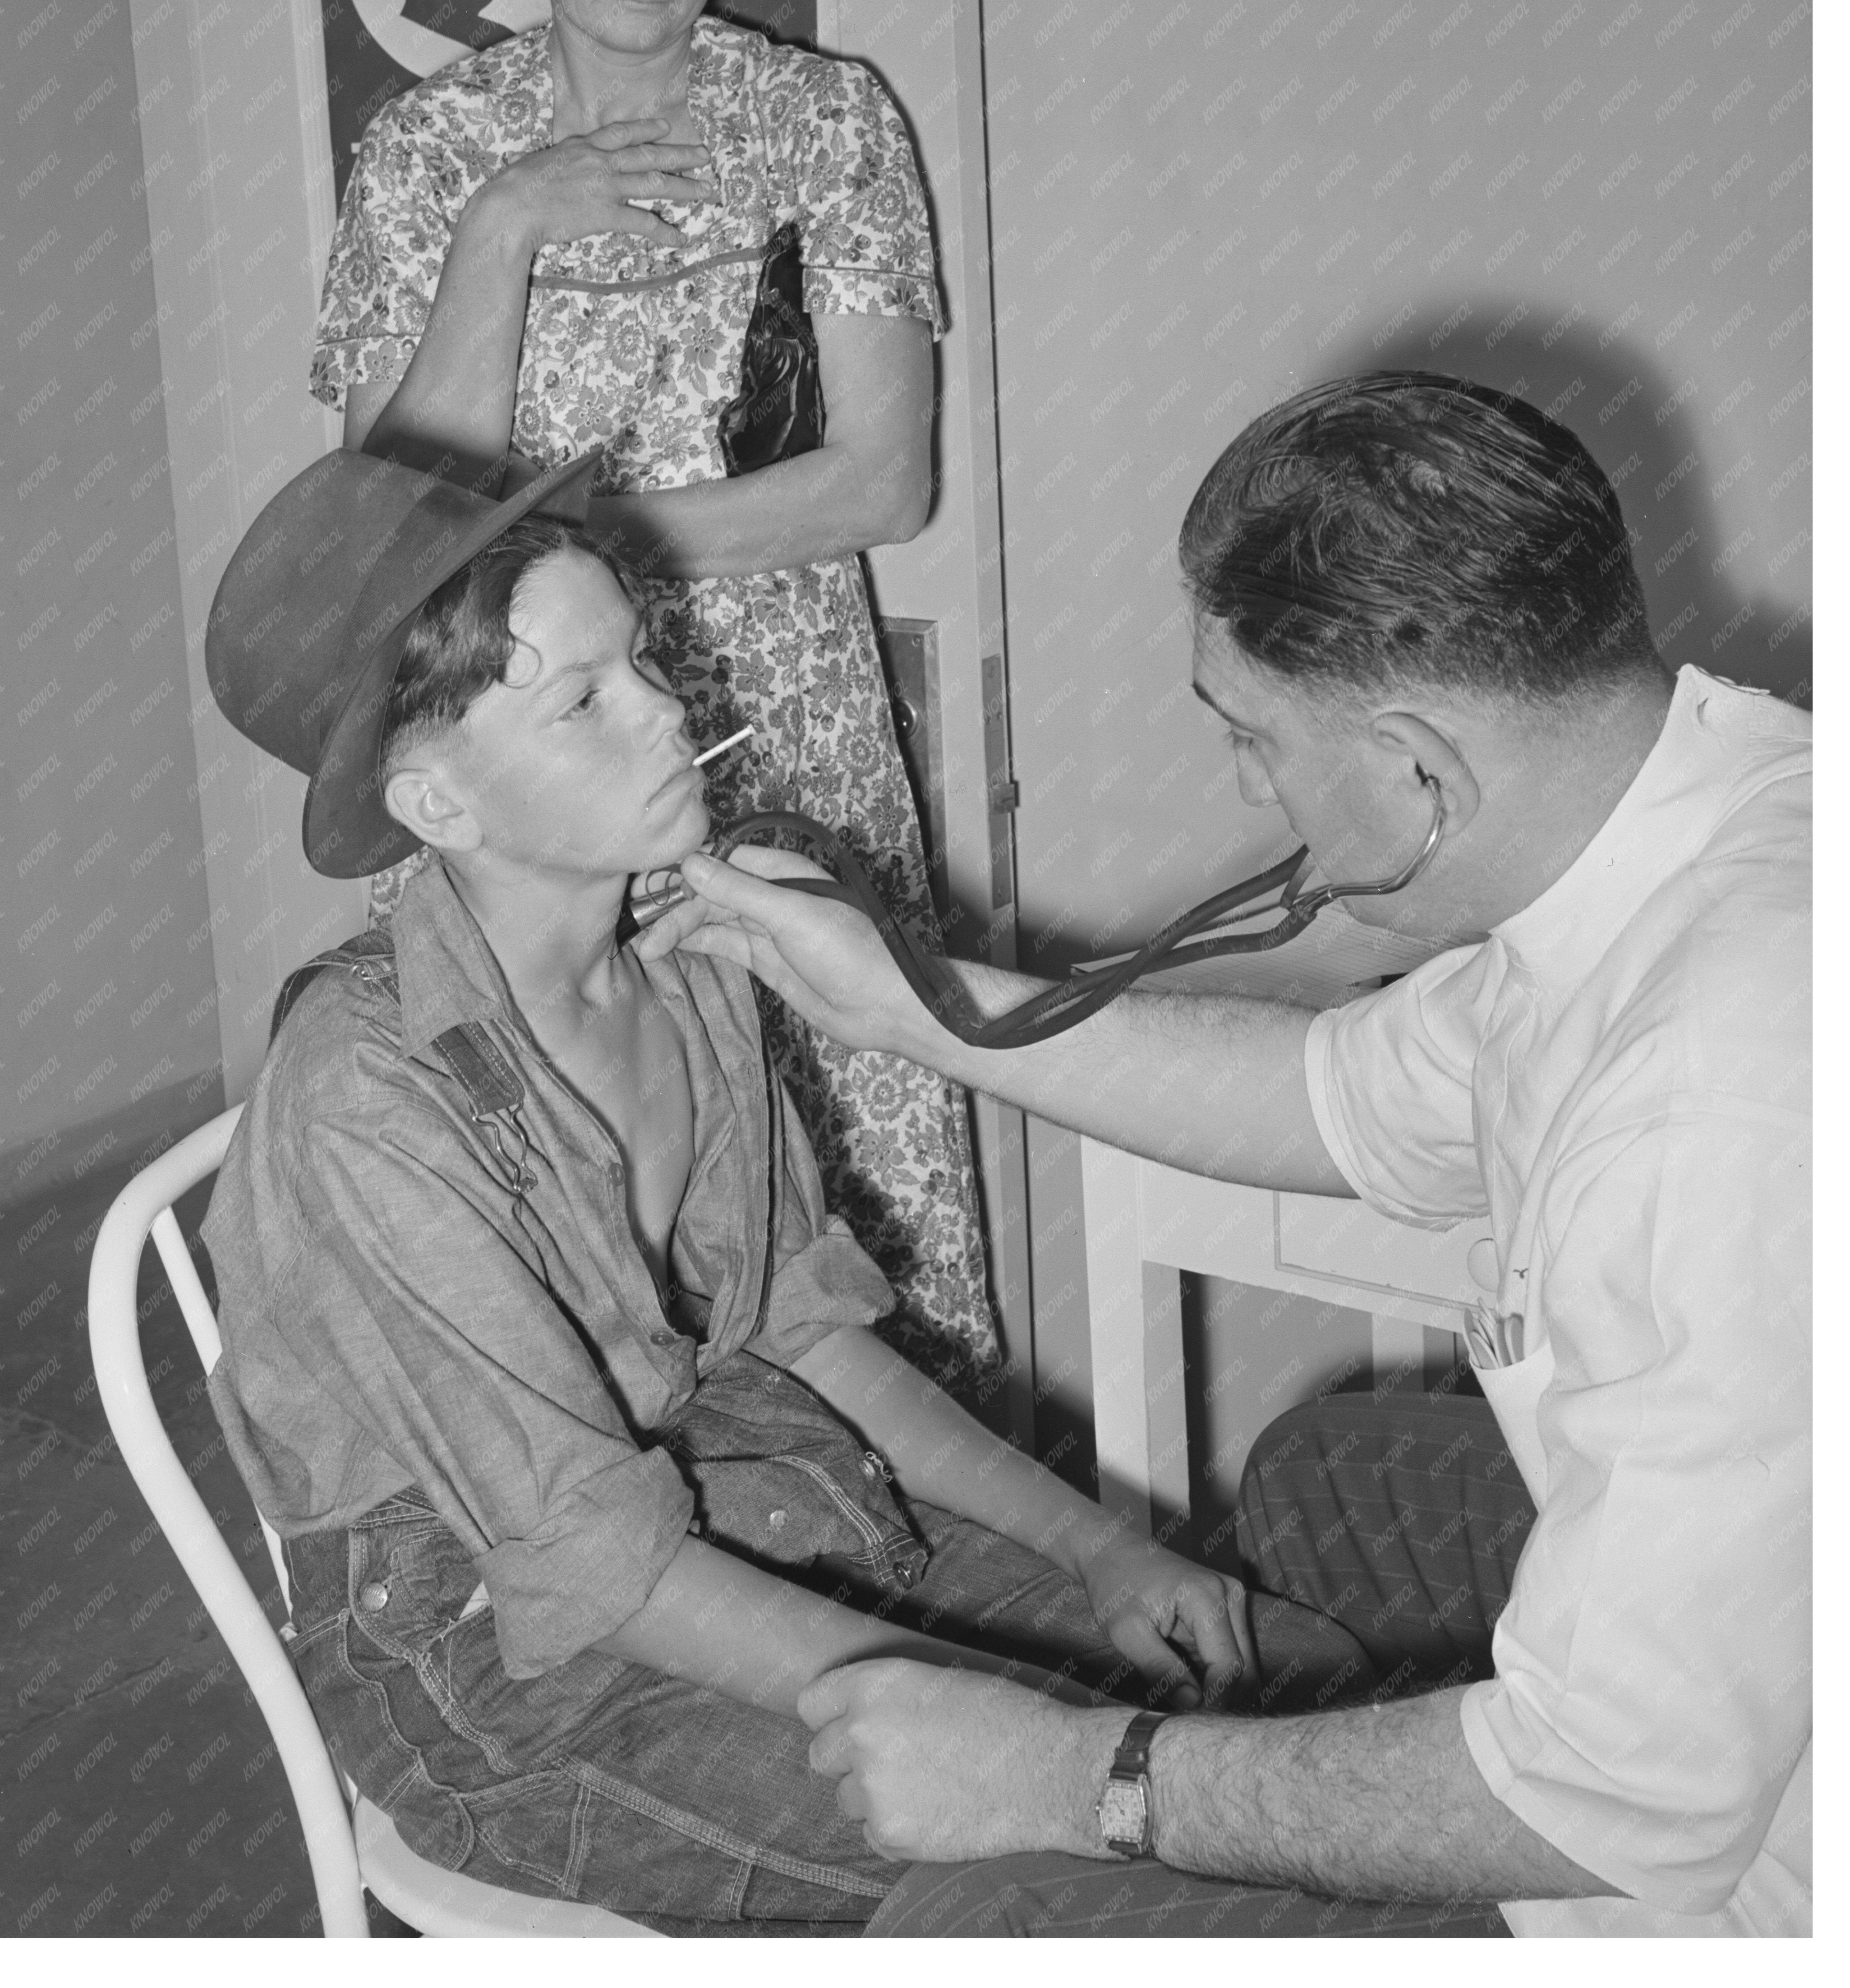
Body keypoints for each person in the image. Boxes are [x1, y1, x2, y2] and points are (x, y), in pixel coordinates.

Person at [196, 444, 1423, 1937]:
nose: (666, 711)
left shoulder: (696, 954)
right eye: (583, 702)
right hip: (505, 1653)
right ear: (438, 808)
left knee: (1301, 1706)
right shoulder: (362, 1104)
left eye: (638, 661)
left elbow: (802, 1330)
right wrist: (1049, 1753)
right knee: (1144, 1866)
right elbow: (599, 1567)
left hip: (749, 1484)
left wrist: (1100, 1550)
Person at [654, 372, 1812, 1937]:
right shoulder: (1705, 823)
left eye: (1253, 739)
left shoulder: (1710, 1097)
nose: (1248, 789)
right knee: (1319, 1477)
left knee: (970, 1920)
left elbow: (1609, 1804)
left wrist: (1081, 1781)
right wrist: (913, 1004)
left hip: (1745, 1894)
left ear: (1419, 771)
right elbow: (1333, 1094)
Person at [310, 0, 991, 1382]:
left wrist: (593, 548)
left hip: (793, 733)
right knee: (568, 1183)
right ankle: (640, 1564)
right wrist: (502, 235)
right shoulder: (430, 152)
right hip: (527, 747)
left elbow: (878, 485)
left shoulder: (826, 124)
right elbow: (394, 513)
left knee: (845, 1155)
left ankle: (945, 1558)